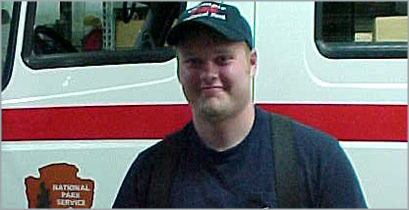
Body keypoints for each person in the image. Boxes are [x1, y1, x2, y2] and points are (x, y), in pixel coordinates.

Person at [113, 1, 367, 208]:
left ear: (252, 63)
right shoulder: (149, 174)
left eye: (223, 59)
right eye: (193, 61)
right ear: (179, 70)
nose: (208, 73)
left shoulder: (318, 161)